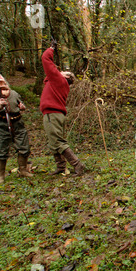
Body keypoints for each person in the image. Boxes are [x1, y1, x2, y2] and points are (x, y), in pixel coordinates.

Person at [40, 41, 84, 176]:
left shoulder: (59, 80)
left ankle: (77, 165)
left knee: (58, 142)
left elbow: (45, 60)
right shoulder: (56, 82)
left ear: (67, 77)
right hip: (53, 114)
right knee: (54, 141)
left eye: (64, 72)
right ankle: (60, 167)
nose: (61, 71)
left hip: (53, 114)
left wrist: (52, 48)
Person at [0, 73, 33, 184]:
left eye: (0, 75)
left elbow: (20, 103)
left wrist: (22, 107)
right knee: (1, 149)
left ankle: (23, 170)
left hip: (18, 123)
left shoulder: (14, 93)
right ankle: (0, 177)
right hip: (1, 124)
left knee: (24, 147)